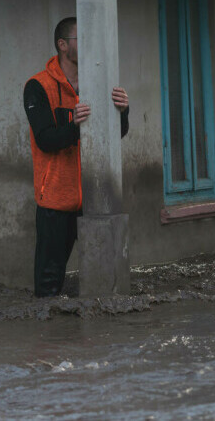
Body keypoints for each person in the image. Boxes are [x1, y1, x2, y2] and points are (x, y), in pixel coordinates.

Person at [23, 17, 130, 297]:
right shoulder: (38, 86)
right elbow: (45, 140)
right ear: (62, 45)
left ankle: (93, 338)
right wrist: (75, 128)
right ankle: (48, 339)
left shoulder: (97, 83)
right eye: (80, 39)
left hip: (94, 198)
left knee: (107, 283)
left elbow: (116, 134)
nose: (89, 45)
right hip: (56, 200)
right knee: (49, 286)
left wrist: (123, 110)